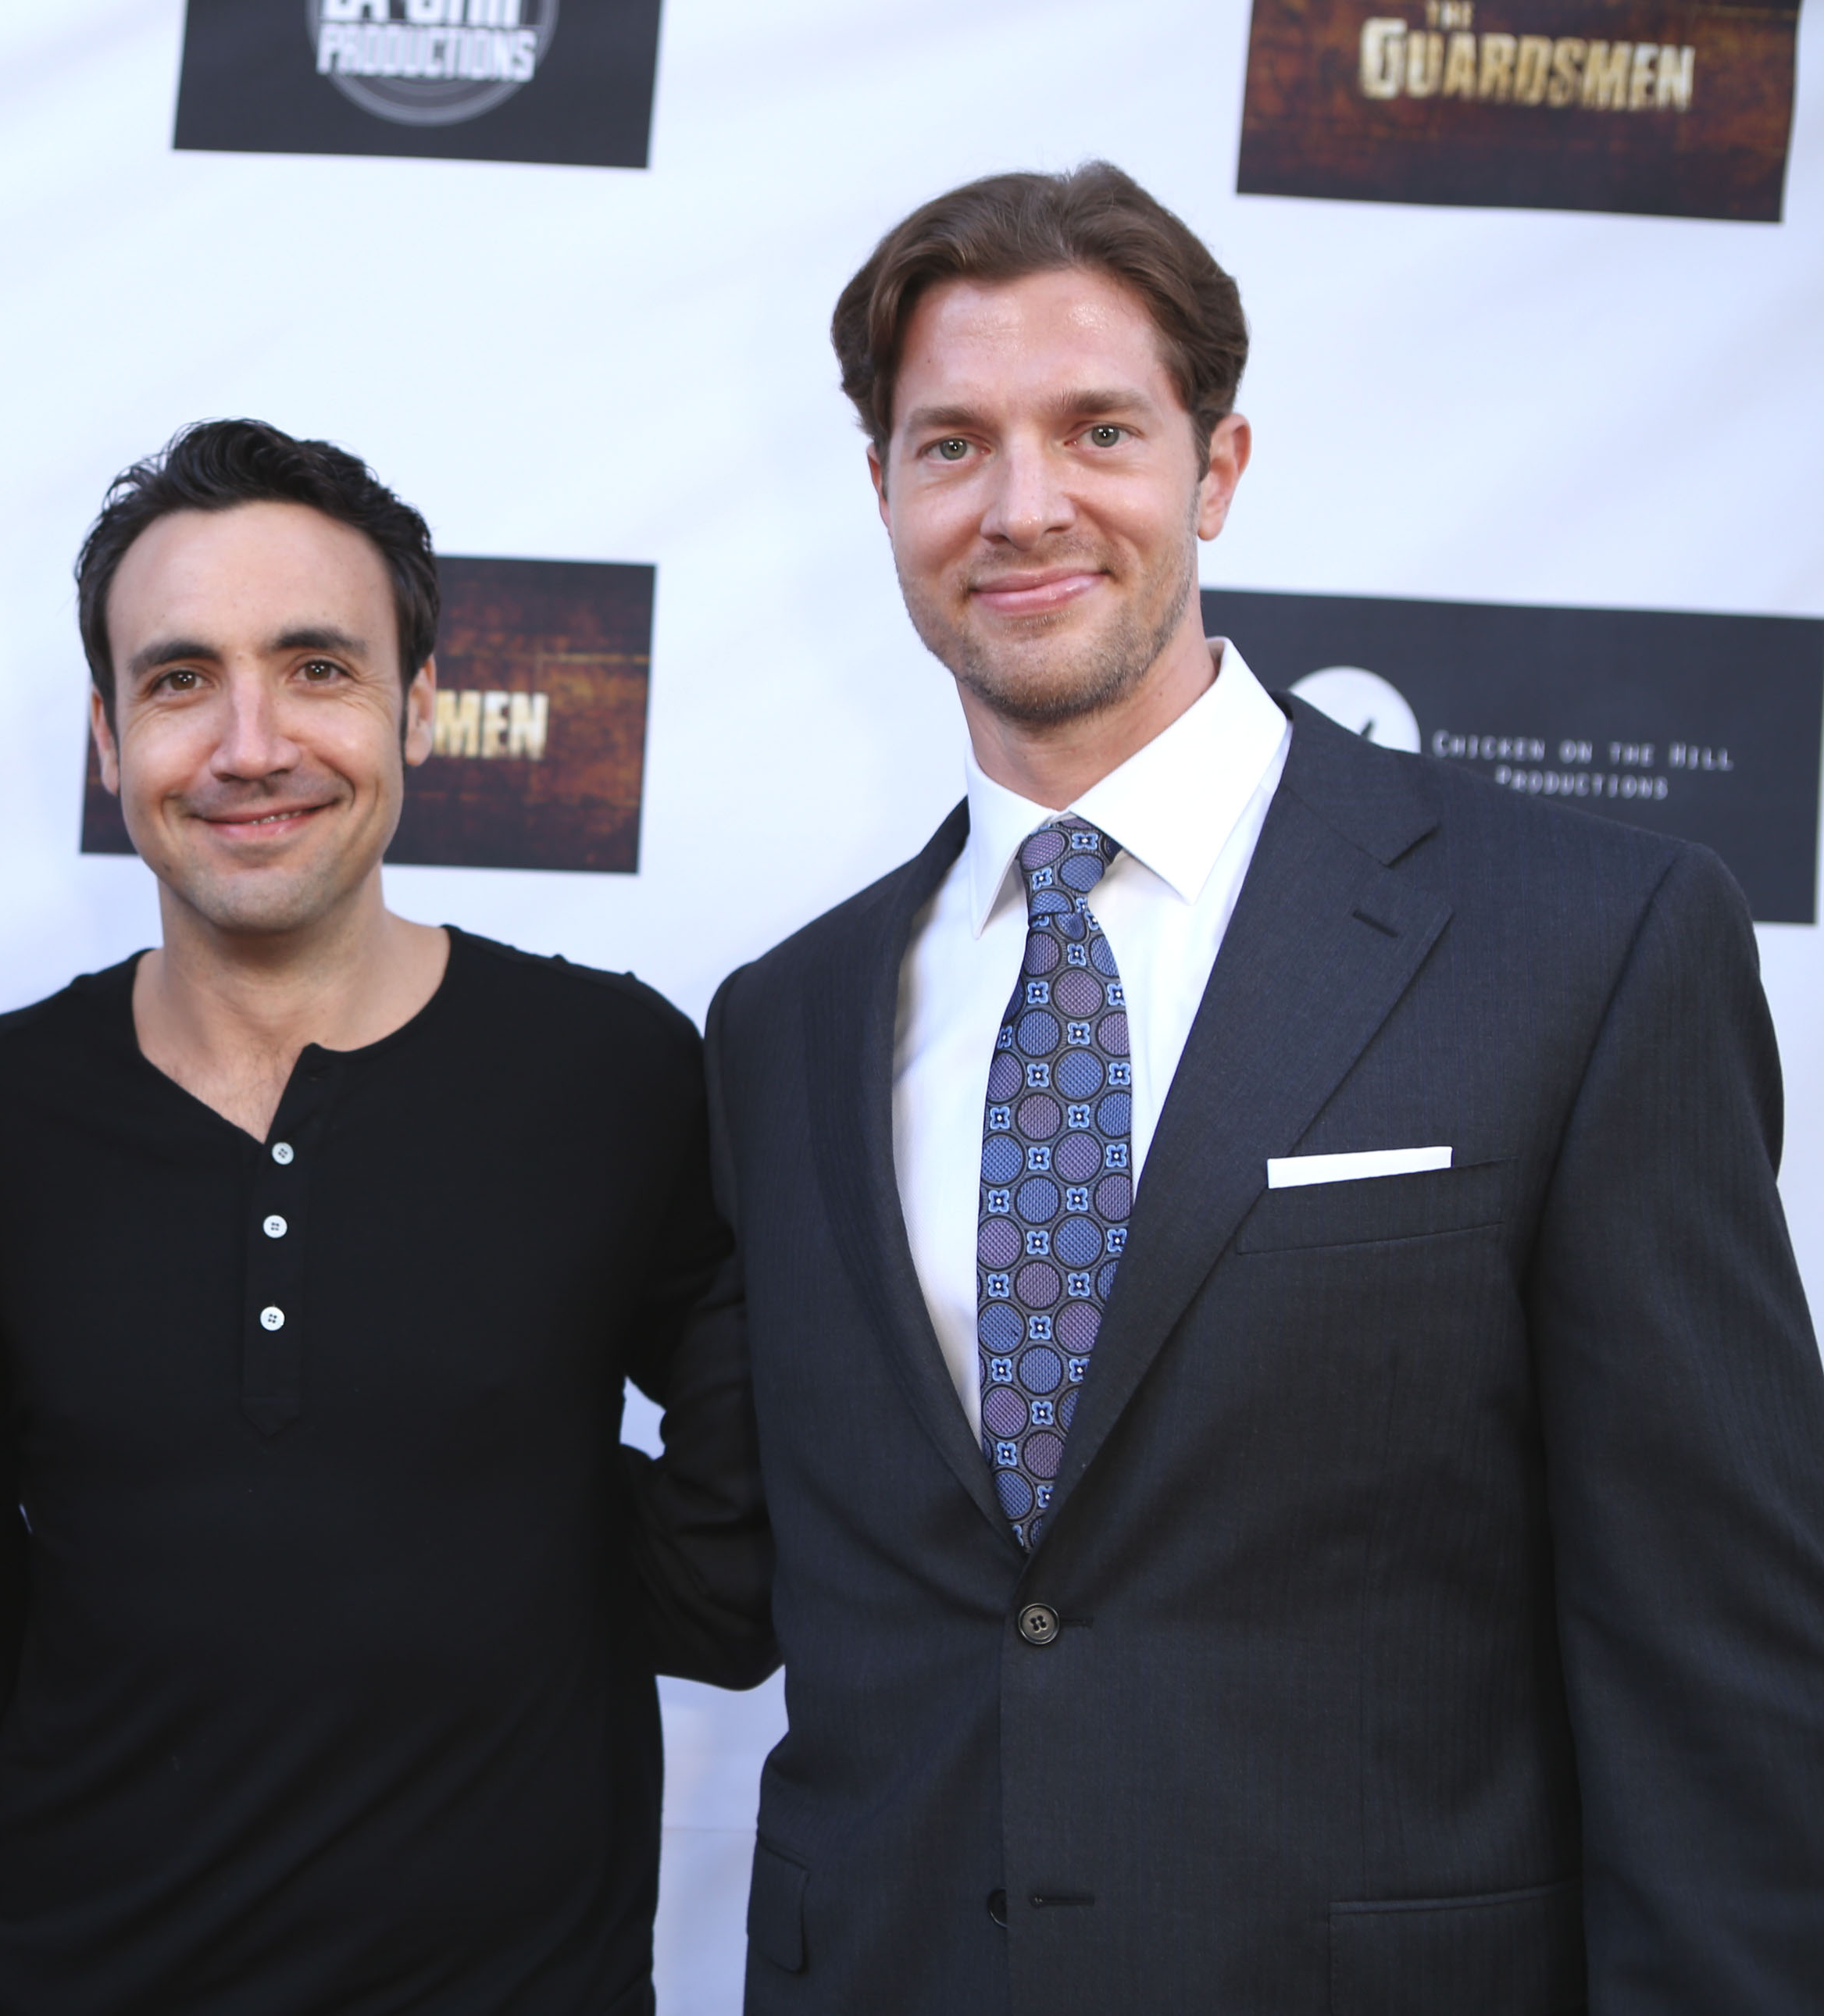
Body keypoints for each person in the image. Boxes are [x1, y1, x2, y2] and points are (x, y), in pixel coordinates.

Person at [705, 160, 1824, 2014]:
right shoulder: (787, 1019)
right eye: (950, 444)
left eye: (1097, 430)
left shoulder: (1585, 939)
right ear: (887, 492)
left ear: (1215, 471)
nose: (1024, 504)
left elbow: (1720, 1661)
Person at [0, 419, 771, 2014]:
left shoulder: (610, 1071)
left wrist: (523, 1556)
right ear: (104, 736)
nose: (247, 743)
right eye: (177, 681)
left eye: (315, 668)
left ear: (418, 708)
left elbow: (737, 1533)